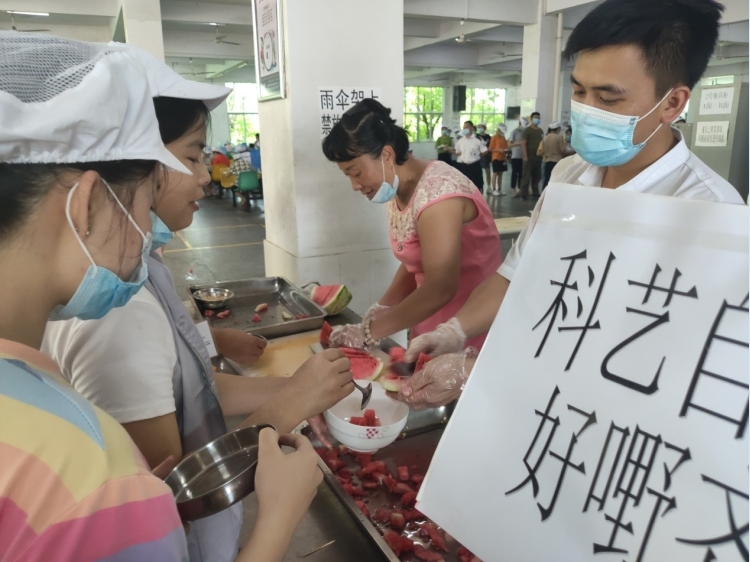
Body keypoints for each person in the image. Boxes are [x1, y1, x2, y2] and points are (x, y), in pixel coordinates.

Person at [0, 32, 323, 562]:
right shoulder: (85, 470)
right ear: (86, 203)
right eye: (147, 193)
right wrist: (278, 520)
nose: (149, 227)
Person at [392, 0, 744, 410]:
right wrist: (454, 331)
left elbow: (673, 364)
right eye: (578, 91)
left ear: (672, 103)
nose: (586, 111)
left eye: (608, 99)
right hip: (534, 395)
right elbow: (515, 276)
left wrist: (482, 370)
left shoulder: (713, 213)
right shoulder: (569, 175)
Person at [320, 99, 502, 352]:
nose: (354, 185)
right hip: (429, 321)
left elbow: (440, 288)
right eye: (348, 175)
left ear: (386, 155)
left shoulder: (440, 195)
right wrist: (383, 307)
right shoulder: (398, 187)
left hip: (468, 328)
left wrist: (371, 332)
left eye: (356, 172)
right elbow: (414, 261)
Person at [450, 121, 487, 192]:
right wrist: (451, 150)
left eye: (467, 127)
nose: (465, 129)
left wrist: (478, 155)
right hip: (464, 166)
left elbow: (485, 150)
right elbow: (458, 152)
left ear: (472, 128)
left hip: (475, 166)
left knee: (477, 186)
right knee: (464, 186)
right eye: (464, 127)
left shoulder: (478, 139)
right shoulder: (460, 141)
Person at [517, 111, 544, 199]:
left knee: (537, 176)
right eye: (536, 118)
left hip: (538, 157)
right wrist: (525, 156)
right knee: (526, 176)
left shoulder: (540, 131)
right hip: (529, 156)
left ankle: (535, 192)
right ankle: (523, 193)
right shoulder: (527, 130)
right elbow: (523, 143)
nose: (537, 119)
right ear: (531, 119)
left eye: (538, 118)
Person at [538, 121, 570, 188]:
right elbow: (562, 150)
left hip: (547, 161)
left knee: (547, 179)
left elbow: (542, 151)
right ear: (558, 128)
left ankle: (545, 192)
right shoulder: (559, 137)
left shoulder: (545, 138)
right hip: (557, 161)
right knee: (556, 179)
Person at [489, 124, 509, 196]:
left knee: (501, 174)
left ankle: (500, 189)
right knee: (495, 173)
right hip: (496, 157)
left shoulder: (503, 137)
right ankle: (494, 189)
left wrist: (506, 150)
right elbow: (490, 149)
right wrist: (498, 150)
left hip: (503, 158)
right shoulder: (494, 137)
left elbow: (506, 146)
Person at [508, 118, 526, 196]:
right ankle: (513, 188)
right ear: (520, 124)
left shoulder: (524, 132)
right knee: (514, 173)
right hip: (515, 156)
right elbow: (509, 144)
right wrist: (519, 143)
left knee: (521, 173)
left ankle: (519, 188)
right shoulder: (514, 132)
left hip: (523, 156)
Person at [476, 123, 492, 189]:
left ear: (484, 128)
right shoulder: (476, 136)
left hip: (486, 156)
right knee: (478, 172)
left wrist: (485, 152)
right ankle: (479, 186)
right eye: (479, 127)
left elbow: (490, 147)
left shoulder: (488, 137)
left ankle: (489, 186)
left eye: (481, 127)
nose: (480, 128)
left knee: (488, 172)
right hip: (478, 156)